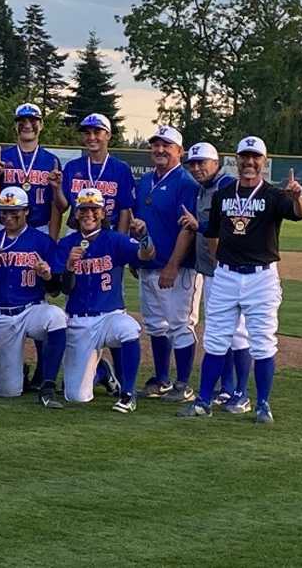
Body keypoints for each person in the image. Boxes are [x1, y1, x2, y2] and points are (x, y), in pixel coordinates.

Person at [179, 137, 302, 424]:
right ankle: (203, 401)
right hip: (226, 273)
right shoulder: (223, 194)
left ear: (264, 161)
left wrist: (297, 196)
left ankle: (263, 403)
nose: (249, 163)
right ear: (235, 160)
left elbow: (301, 214)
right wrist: (217, 262)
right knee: (215, 340)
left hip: (261, 277)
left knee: (262, 342)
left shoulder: (275, 195)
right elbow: (213, 232)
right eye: (244, 158)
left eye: (255, 158)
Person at [54, 188, 155, 413]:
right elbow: (62, 289)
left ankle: (128, 393)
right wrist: (69, 266)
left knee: (129, 329)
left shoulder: (115, 240)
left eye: (93, 209)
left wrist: (145, 235)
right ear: (76, 214)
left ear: (102, 213)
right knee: (76, 397)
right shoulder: (67, 244)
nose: (88, 214)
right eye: (83, 210)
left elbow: (146, 254)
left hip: (110, 315)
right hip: (79, 321)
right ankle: (102, 372)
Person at [0, 187, 68, 408]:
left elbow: (55, 290)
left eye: (14, 211)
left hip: (32, 309)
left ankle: (47, 384)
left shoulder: (42, 241)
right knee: (8, 391)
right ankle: (18, 371)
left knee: (56, 317)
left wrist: (47, 276)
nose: (8, 216)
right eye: (4, 211)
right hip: (2, 315)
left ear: (27, 211)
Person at [133, 124, 202, 402]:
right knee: (154, 324)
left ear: (179, 151)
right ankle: (161, 378)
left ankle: (183, 383)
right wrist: (135, 255)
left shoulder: (186, 182)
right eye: (156, 144)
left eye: (167, 145)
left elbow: (187, 227)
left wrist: (173, 264)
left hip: (178, 269)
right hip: (149, 263)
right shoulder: (147, 179)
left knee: (180, 323)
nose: (160, 150)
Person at [183, 142, 252, 413]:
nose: (197, 168)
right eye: (193, 163)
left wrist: (198, 225)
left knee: (236, 333)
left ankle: (240, 392)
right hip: (212, 272)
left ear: (217, 162)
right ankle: (227, 389)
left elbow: (235, 228)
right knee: (219, 332)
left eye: (203, 163)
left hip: (230, 273)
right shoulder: (205, 189)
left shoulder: (228, 187)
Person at [0, 102, 66, 240]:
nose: (27, 125)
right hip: (6, 227)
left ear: (41, 125)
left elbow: (56, 207)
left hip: (39, 228)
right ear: (15, 126)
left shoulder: (51, 161)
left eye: (33, 121)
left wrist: (52, 239)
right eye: (22, 121)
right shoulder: (2, 158)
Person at [60, 113, 135, 233]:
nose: (91, 137)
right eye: (87, 133)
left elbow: (125, 210)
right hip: (76, 230)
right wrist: (56, 188)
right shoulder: (72, 167)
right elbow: (62, 206)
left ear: (108, 135)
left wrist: (119, 242)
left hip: (108, 231)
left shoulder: (121, 168)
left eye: (97, 132)